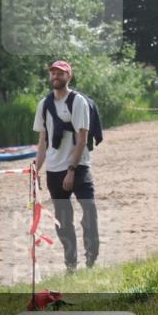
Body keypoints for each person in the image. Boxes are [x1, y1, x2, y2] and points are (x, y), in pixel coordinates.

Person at [33, 61, 99, 272]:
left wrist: (71, 171)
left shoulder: (78, 101)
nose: (55, 76)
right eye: (52, 72)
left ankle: (91, 258)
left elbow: (82, 139)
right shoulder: (44, 104)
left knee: (89, 210)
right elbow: (43, 141)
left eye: (60, 73)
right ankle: (71, 264)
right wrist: (36, 169)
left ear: (68, 76)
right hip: (54, 170)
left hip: (78, 167)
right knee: (63, 220)